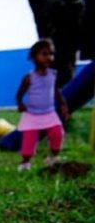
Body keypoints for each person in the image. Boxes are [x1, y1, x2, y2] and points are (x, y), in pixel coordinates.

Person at [15, 38, 69, 171]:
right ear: (33, 57)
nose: (49, 57)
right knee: (29, 139)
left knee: (58, 134)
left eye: (51, 54)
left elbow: (55, 90)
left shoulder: (53, 74)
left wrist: (63, 104)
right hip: (32, 114)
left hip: (49, 112)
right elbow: (20, 93)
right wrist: (20, 103)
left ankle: (53, 157)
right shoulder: (29, 77)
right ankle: (25, 162)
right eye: (44, 54)